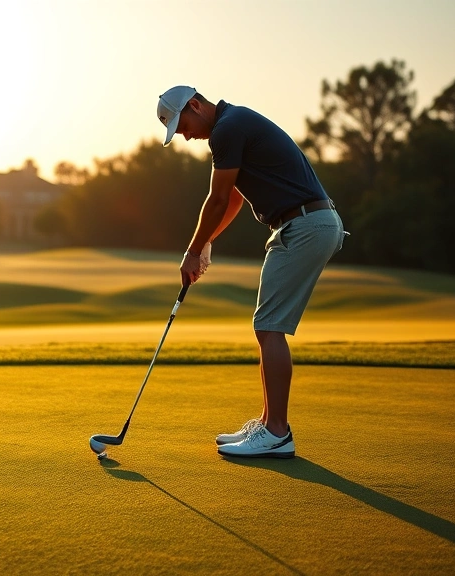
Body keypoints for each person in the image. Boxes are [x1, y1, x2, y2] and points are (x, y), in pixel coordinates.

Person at [156, 85, 347, 458]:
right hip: (308, 223)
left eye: (183, 124)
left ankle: (277, 432)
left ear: (196, 105)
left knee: (269, 327)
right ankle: (268, 423)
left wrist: (193, 251)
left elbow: (218, 198)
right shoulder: (235, 123)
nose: (185, 134)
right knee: (266, 325)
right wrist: (208, 240)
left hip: (305, 225)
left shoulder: (227, 129)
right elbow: (237, 197)